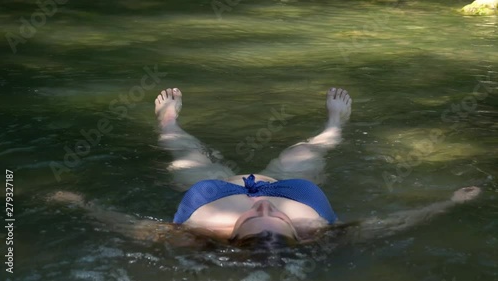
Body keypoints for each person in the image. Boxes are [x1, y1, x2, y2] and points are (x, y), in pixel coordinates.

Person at [49, 87, 481, 249]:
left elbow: (124, 225)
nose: (261, 209)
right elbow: (393, 223)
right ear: (298, 234)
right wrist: (449, 202)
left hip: (212, 192)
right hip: (294, 187)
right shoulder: (320, 233)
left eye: (252, 220)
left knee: (184, 155)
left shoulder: (197, 234)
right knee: (309, 152)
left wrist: (81, 203)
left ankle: (170, 123)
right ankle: (333, 126)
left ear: (234, 236)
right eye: (271, 217)